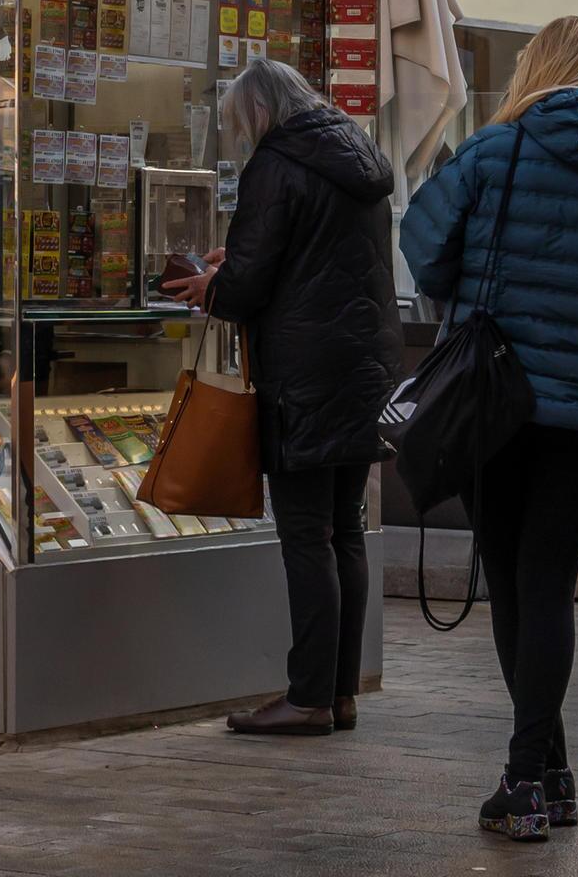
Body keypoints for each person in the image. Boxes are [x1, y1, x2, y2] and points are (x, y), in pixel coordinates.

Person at [400, 16, 578, 843]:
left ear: (538, 70)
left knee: (513, 582)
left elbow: (424, 250)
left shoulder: (493, 152)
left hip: (490, 399)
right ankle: (548, 775)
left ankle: (526, 781)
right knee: (548, 580)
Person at [162, 57, 400, 738]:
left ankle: (308, 697)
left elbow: (248, 286)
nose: (243, 136)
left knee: (305, 535)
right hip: (362, 368)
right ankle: (340, 691)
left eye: (242, 123)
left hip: (303, 375)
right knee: (345, 529)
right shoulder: (359, 158)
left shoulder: (277, 163)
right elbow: (316, 257)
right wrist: (234, 264)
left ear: (262, 112)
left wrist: (214, 283)